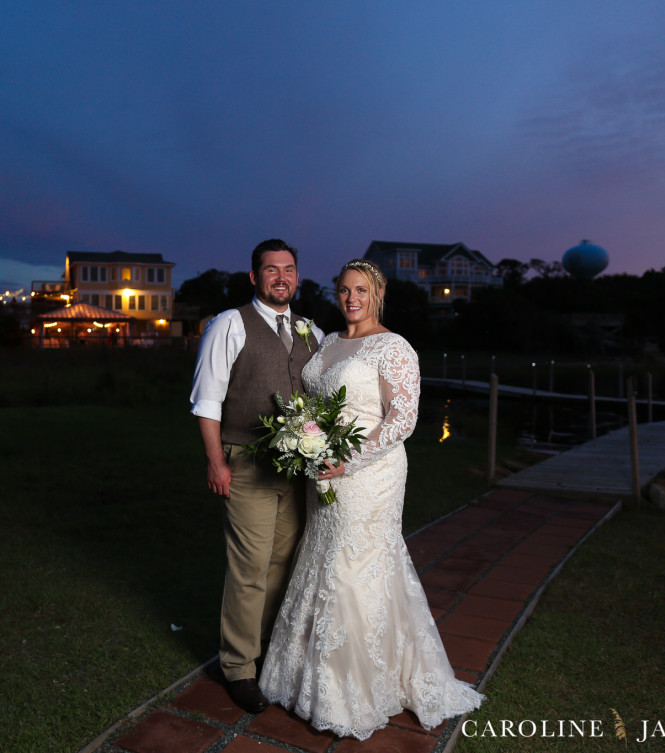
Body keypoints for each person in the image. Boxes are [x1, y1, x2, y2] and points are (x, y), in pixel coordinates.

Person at [258, 258, 484, 740]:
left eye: (361, 290)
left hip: (369, 472)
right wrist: (306, 440)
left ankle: (355, 691)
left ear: (377, 294)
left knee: (356, 564)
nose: (351, 298)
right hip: (323, 468)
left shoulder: (393, 346)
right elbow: (316, 403)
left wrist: (348, 460)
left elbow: (402, 419)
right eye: (344, 290)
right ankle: (309, 678)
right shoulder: (329, 343)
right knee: (323, 557)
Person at [190, 239, 323, 714]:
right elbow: (207, 400)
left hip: (296, 470)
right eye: (271, 270)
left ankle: (265, 648)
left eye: (288, 269)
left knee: (283, 561)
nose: (281, 277)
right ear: (254, 277)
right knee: (249, 567)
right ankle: (238, 667)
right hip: (245, 462)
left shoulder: (311, 331)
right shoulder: (230, 324)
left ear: (297, 276)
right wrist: (216, 462)